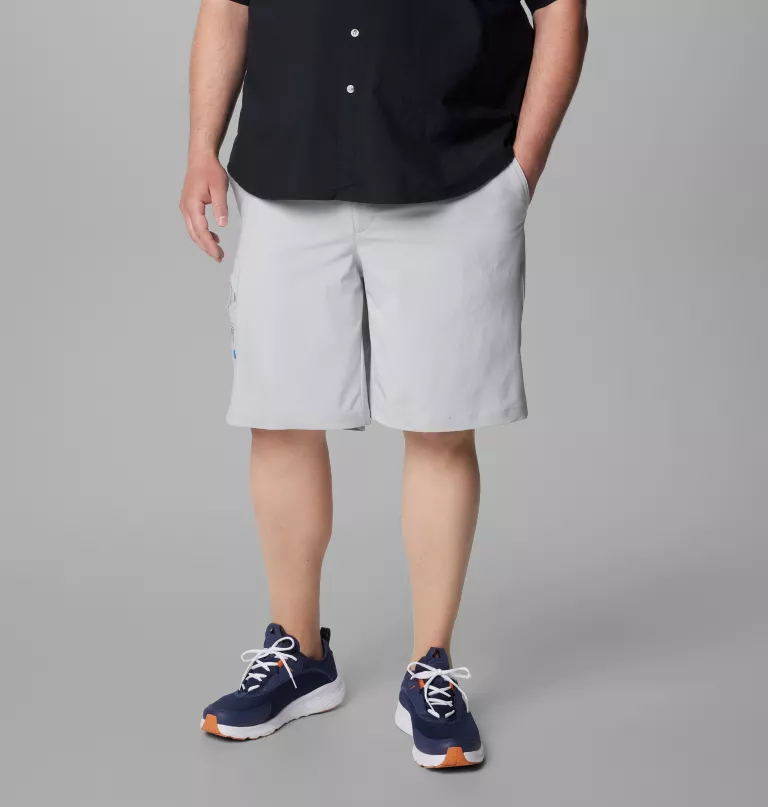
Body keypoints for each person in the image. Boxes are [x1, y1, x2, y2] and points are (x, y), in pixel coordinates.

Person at [180, 0, 588, 769]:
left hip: (455, 174)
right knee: (281, 418)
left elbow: (563, 10)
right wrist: (202, 144)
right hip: (287, 169)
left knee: (441, 425)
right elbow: (227, 6)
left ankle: (431, 666)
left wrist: (520, 173)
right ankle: (298, 655)